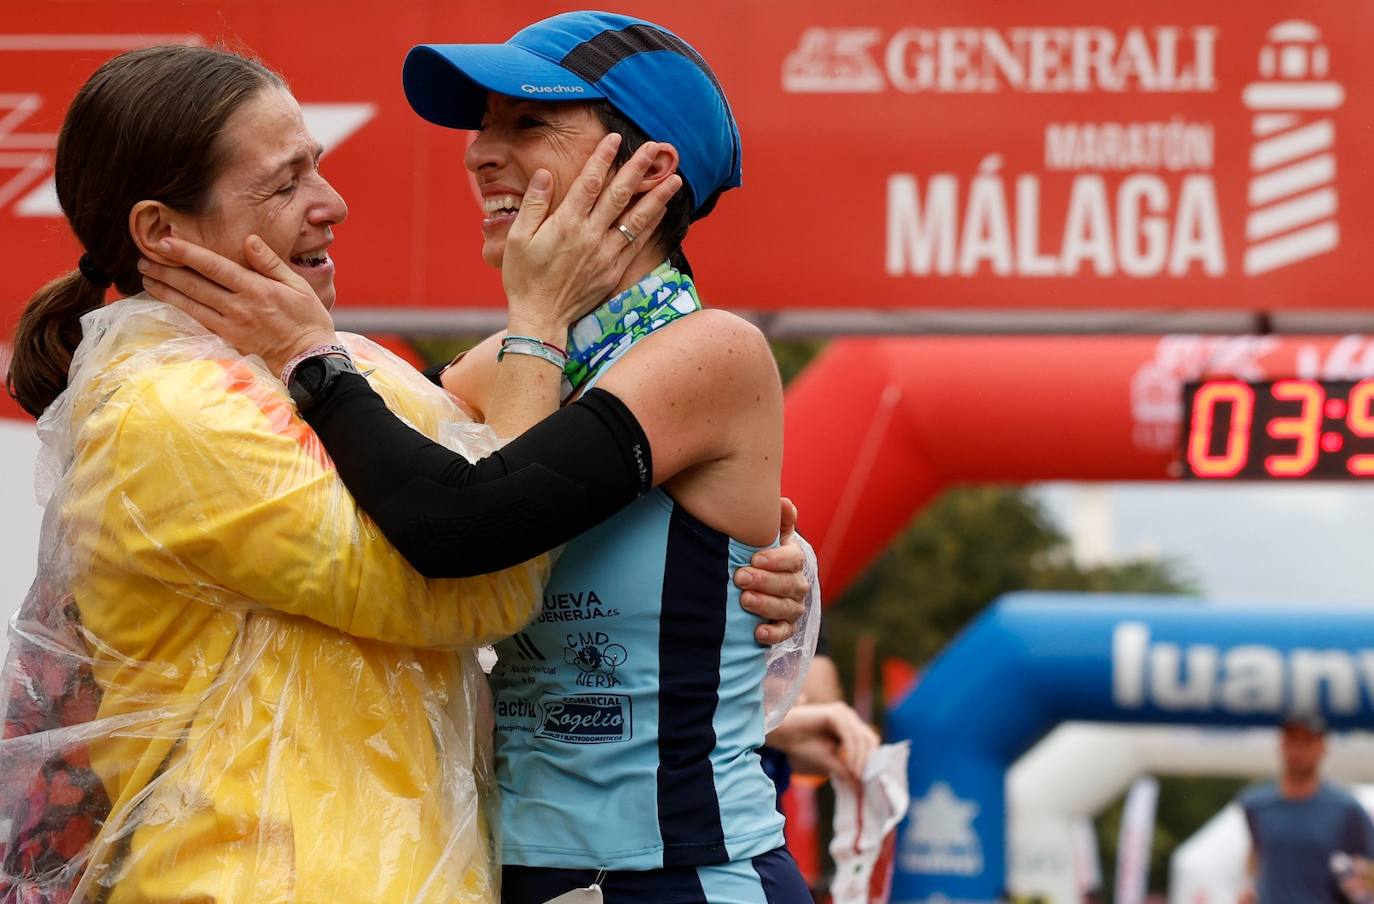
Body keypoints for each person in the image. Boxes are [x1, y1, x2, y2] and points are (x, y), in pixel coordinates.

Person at [1, 43, 807, 904]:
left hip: (681, 873)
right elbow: (451, 514)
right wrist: (517, 327)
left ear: (645, 172)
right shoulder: (485, 368)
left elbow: (477, 512)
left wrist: (770, 564)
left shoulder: (709, 351)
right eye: (484, 126)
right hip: (485, 873)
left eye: (528, 123)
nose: (479, 152)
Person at [1238, 715, 1374, 904]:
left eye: (1307, 742)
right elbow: (1258, 855)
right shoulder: (1255, 804)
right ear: (1281, 745)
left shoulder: (1345, 808)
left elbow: (1368, 865)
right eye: (1292, 740)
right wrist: (1250, 888)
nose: (1298, 750)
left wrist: (1359, 885)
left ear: (1322, 747)